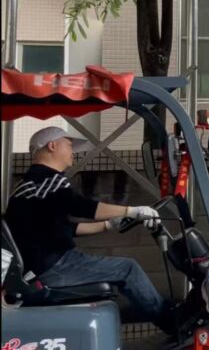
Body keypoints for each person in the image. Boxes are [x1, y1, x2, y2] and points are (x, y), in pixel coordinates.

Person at [5, 126, 173, 332]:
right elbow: (82, 207)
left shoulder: (31, 184)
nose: (72, 152)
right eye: (69, 145)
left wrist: (108, 224)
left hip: (46, 265)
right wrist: (132, 210)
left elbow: (66, 228)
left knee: (123, 269)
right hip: (55, 266)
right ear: (52, 146)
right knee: (128, 268)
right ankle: (170, 322)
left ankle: (164, 318)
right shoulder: (47, 180)